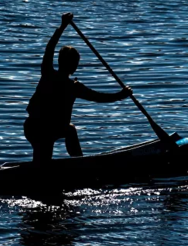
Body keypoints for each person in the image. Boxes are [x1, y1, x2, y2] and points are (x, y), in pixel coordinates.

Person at [24, 13, 132, 163]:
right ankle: (76, 166)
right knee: (52, 147)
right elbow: (99, 98)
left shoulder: (48, 73)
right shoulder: (71, 86)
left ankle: (77, 162)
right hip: (42, 129)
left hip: (32, 127)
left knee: (68, 131)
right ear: (74, 67)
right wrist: (121, 95)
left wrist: (62, 26)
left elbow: (50, 47)